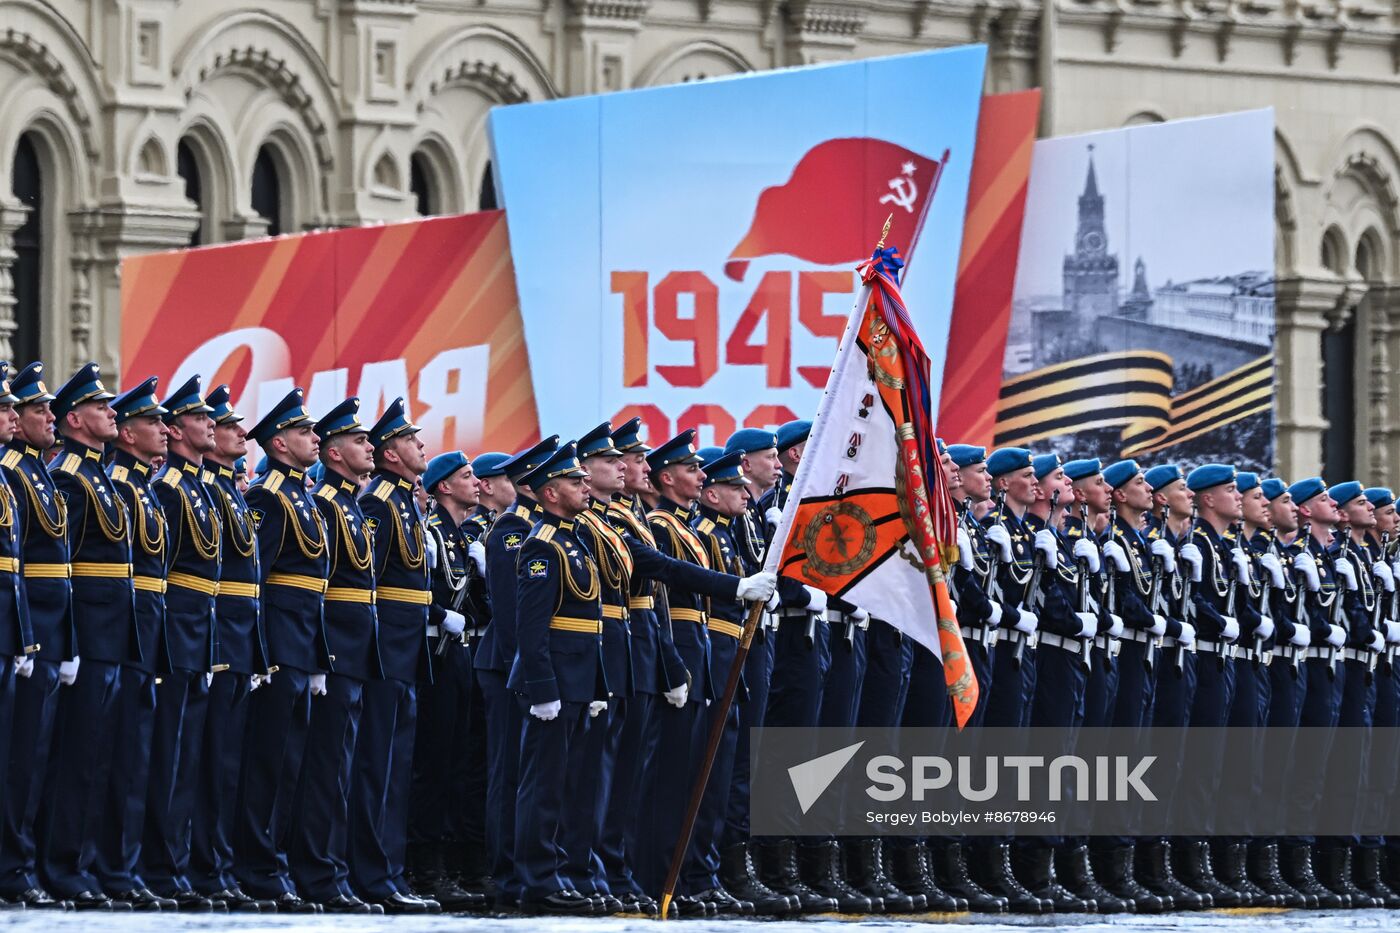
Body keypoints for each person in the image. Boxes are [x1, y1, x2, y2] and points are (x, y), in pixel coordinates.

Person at [350, 398, 454, 913]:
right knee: (376, 767)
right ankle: (372, 874)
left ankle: (387, 872)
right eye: (412, 441)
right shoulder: (377, 505)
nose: (421, 446)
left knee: (396, 768)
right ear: (392, 454)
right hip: (384, 649)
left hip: (407, 649)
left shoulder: (404, 504)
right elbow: (365, 583)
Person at [286, 398, 383, 914]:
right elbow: (312, 588)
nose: (371, 447)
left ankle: (332, 870)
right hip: (330, 644)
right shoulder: (324, 501)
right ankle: (318, 873)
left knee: (340, 767)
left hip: (351, 645)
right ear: (336, 454)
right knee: (322, 768)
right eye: (360, 441)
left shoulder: (344, 503)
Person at [236, 388, 330, 913]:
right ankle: (258, 866)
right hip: (277, 649)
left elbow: (313, 586)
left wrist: (314, 657)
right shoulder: (267, 497)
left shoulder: (302, 496)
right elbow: (259, 581)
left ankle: (277, 861)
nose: (314, 439)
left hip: (301, 649)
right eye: (303, 433)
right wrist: (262, 654)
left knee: (291, 765)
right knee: (266, 765)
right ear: (278, 442)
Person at [39, 364, 129, 910]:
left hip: (112, 634)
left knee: (101, 758)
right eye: (102, 408)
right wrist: (67, 641)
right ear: (76, 419)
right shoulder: (70, 476)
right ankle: (62, 865)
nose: (111, 414)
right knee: (76, 758)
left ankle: (83, 862)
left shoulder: (98, 476)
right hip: (86, 635)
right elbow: (61, 566)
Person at [508, 442, 606, 915]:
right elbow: (531, 629)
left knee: (569, 787)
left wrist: (596, 687)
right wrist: (543, 690)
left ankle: (561, 872)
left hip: (580, 681)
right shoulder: (542, 545)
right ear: (550, 492)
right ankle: (537, 878)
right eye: (574, 481)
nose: (585, 485)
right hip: (556, 684)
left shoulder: (574, 538)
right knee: (543, 786)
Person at [188, 385, 270, 911]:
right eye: (231, 425)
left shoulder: (228, 493)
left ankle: (215, 865)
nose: (244, 433)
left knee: (226, 765)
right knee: (199, 763)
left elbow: (250, 583)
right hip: (205, 642)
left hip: (236, 642)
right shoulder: (191, 490)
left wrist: (255, 653)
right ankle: (195, 867)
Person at [97, 378, 177, 911]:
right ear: (126, 434)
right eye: (152, 422)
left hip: (146, 631)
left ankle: (122, 867)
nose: (162, 429)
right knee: (104, 759)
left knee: (141, 759)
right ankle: (93, 867)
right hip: (113, 634)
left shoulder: (140, 488)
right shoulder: (107, 484)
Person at [474, 435, 557, 906]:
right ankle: (508, 876)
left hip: (527, 666)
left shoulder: (542, 527)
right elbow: (510, 613)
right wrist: (522, 674)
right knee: (510, 774)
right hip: (509, 664)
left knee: (532, 773)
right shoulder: (512, 529)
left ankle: (527, 870)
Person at [0, 363, 71, 908]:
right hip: (23, 631)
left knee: (32, 758)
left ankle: (22, 865)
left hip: (35, 632)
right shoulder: (16, 473)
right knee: (16, 757)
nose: (49, 418)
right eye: (32, 409)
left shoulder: (31, 474)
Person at [408, 450, 489, 910]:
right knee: (434, 765)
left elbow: (482, 607)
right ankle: (426, 867)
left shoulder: (461, 539)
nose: (474, 482)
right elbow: (405, 589)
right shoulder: (432, 534)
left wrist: (484, 574)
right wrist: (440, 613)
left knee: (458, 764)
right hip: (435, 654)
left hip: (459, 657)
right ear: (443, 487)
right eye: (465, 476)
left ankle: (452, 864)